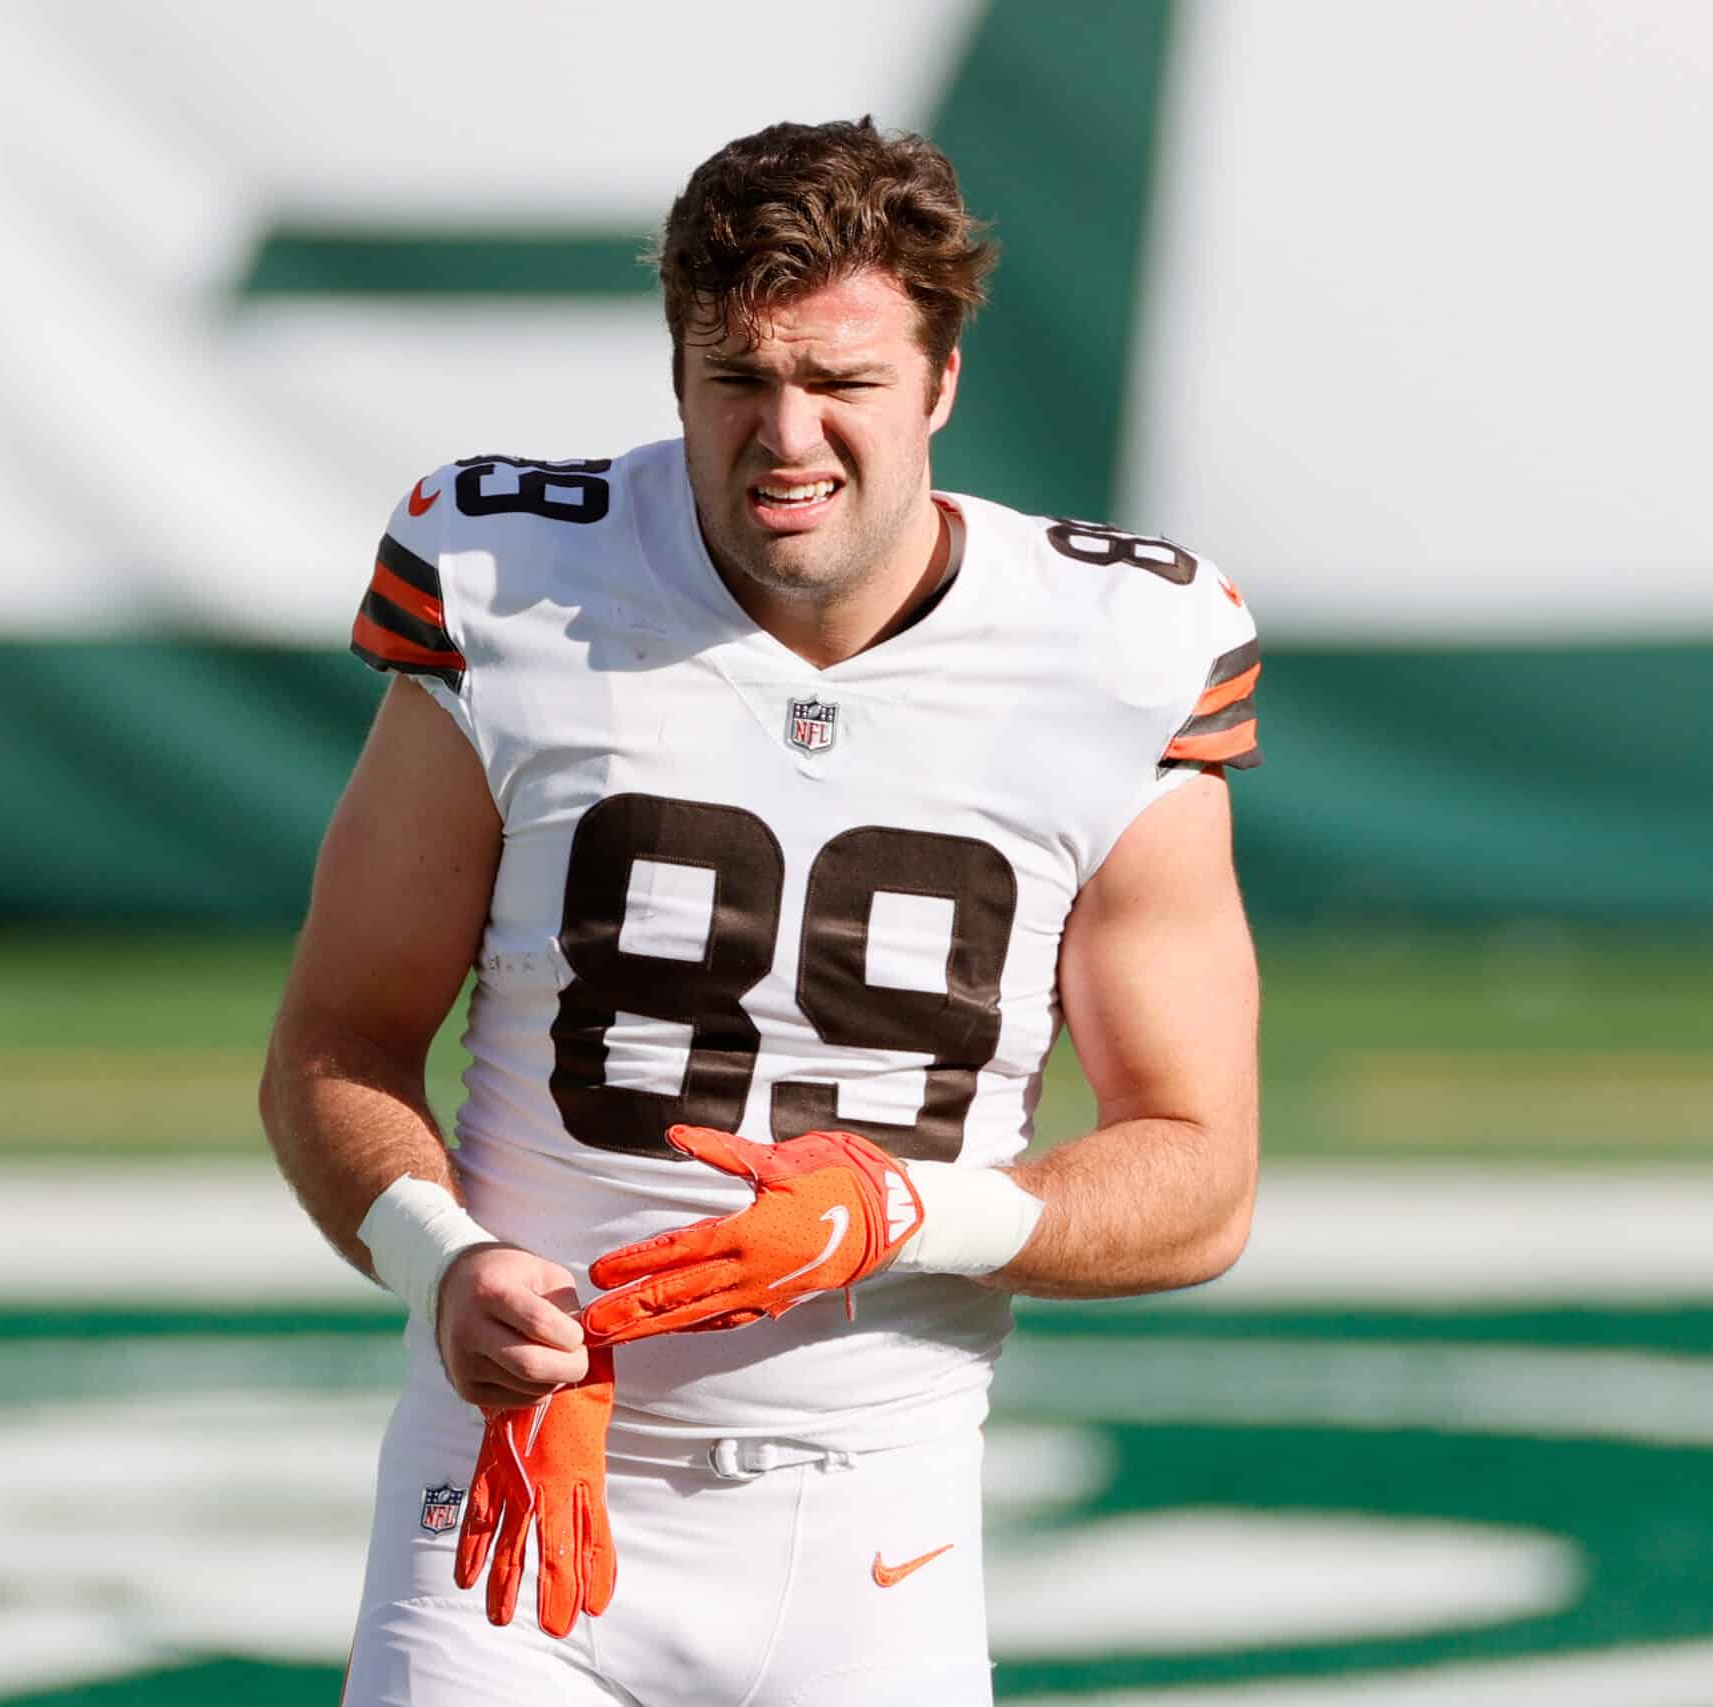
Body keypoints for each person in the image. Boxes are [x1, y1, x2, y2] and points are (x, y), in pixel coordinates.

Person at [260, 116, 1261, 1707]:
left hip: (878, 1514)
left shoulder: (1118, 647)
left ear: (940, 385)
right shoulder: (513, 582)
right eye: (739, 379)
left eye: (844, 384)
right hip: (518, 1481)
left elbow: (1201, 1175)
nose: (787, 438)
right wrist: (447, 1262)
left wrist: (904, 1214)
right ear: (675, 377)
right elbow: (337, 1039)